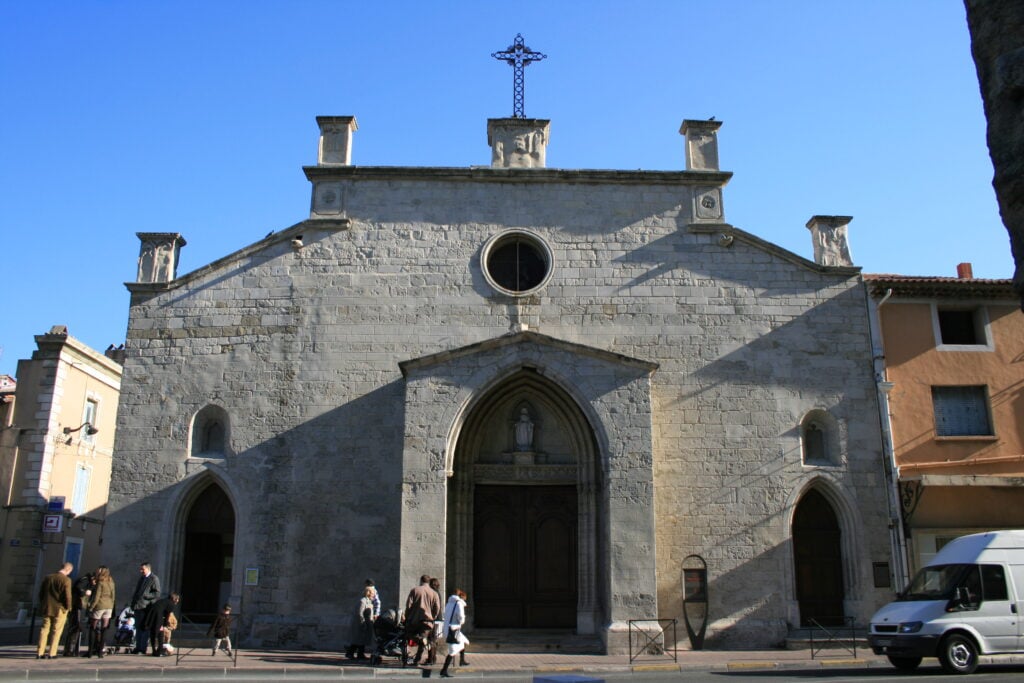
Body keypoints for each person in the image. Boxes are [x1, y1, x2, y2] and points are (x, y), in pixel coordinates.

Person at [36, 563, 73, 659]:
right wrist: (68, 607)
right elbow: (67, 596)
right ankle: (52, 653)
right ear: (68, 570)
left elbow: (41, 593)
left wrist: (42, 603)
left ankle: (40, 652)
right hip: (60, 608)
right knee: (56, 631)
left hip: (47, 606)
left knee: (44, 629)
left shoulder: (48, 578)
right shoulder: (66, 580)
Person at [405, 574, 441, 666]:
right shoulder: (434, 593)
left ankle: (419, 640)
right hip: (428, 621)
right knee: (423, 642)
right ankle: (416, 660)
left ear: (421, 581)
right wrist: (433, 616)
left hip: (415, 619)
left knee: (408, 634)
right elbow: (437, 608)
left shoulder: (415, 590)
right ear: (429, 582)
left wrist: (407, 616)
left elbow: (408, 606)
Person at [129, 563, 160, 654]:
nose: (141, 571)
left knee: (144, 627)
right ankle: (138, 647)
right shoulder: (142, 578)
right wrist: (133, 603)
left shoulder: (154, 579)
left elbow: (157, 593)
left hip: (145, 607)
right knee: (138, 627)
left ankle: (143, 648)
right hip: (137, 606)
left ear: (148, 569)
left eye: (143, 569)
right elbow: (137, 592)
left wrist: (146, 596)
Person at [87, 566, 116, 658]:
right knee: (104, 629)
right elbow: (113, 595)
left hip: (100, 605)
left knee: (93, 627)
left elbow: (97, 596)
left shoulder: (100, 582)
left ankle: (90, 651)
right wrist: (111, 605)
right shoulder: (111, 582)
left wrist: (91, 607)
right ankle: (100, 651)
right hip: (109, 606)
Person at [63, 571, 94, 657]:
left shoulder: (85, 580)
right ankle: (70, 650)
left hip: (77, 606)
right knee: (75, 627)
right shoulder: (85, 580)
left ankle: (71, 649)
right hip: (76, 606)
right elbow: (78, 588)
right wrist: (85, 592)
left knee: (75, 628)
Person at [440, 589, 469, 678]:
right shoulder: (459, 604)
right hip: (453, 629)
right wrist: (462, 621)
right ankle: (444, 670)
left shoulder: (449, 603)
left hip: (448, 628)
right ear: (462, 597)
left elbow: (444, 615)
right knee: (452, 651)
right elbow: (461, 617)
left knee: (463, 641)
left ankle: (462, 660)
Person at [346, 587, 376, 660]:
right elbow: (360, 613)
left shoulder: (369, 601)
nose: (374, 595)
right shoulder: (362, 601)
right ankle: (350, 653)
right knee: (358, 639)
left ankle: (360, 654)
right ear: (369, 593)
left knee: (362, 639)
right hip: (360, 623)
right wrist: (363, 623)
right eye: (373, 593)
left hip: (366, 623)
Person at [425, 577, 443, 665]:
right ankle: (433, 658)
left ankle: (431, 659)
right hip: (438, 619)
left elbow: (435, 607)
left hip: (434, 619)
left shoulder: (434, 593)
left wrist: (432, 617)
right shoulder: (438, 593)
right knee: (433, 639)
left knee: (431, 639)